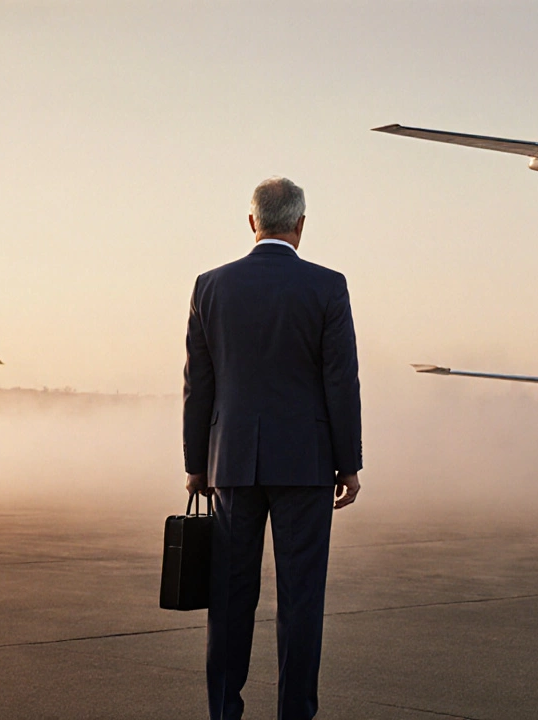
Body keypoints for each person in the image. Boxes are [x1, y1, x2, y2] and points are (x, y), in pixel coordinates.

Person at [183, 176, 362, 720]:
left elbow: (199, 384)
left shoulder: (210, 286)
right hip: (305, 466)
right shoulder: (327, 287)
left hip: (231, 464)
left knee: (230, 601)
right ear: (301, 225)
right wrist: (348, 463)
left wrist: (196, 465)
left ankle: (223, 713)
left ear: (252, 222)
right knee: (301, 600)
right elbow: (341, 381)